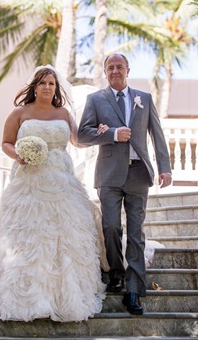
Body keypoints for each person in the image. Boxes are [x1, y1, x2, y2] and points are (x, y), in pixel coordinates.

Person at [0, 65, 106, 323]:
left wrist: (99, 134)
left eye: (52, 84)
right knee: (30, 233)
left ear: (56, 89)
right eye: (43, 83)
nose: (48, 87)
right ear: (34, 87)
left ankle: (65, 293)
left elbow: (77, 141)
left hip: (62, 180)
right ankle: (29, 293)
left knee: (67, 232)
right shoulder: (20, 113)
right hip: (30, 179)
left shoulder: (63, 113)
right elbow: (6, 143)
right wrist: (19, 155)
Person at [78, 53, 172, 315]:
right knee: (110, 226)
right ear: (105, 72)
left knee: (136, 233)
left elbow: (157, 135)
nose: (115, 71)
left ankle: (133, 291)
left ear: (128, 70)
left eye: (119, 66)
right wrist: (112, 134)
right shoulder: (95, 100)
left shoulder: (145, 98)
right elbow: (83, 134)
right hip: (108, 175)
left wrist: (164, 168)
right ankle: (116, 273)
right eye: (110, 67)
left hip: (139, 174)